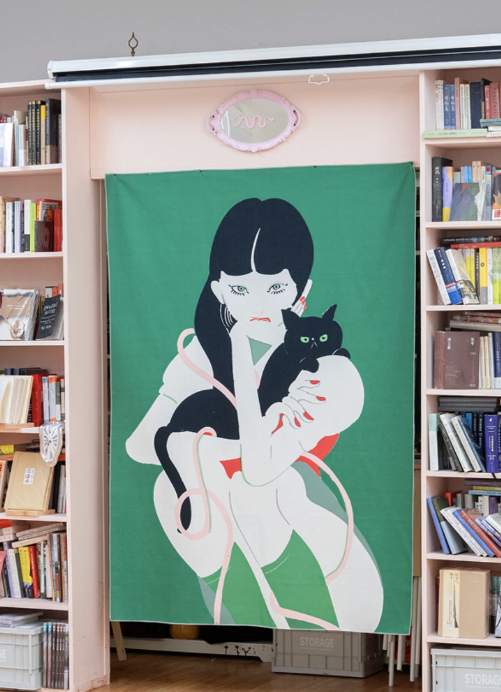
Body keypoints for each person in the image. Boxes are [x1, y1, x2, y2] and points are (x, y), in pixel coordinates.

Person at [126, 198, 383, 631]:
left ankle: (301, 622)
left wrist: (239, 357)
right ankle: (251, 614)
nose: (258, 305)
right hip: (231, 555)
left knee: (252, 486)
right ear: (219, 291)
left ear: (303, 291)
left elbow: (260, 468)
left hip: (317, 556)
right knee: (166, 490)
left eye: (275, 289)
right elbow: (139, 445)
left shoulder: (329, 371)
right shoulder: (201, 355)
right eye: (241, 290)